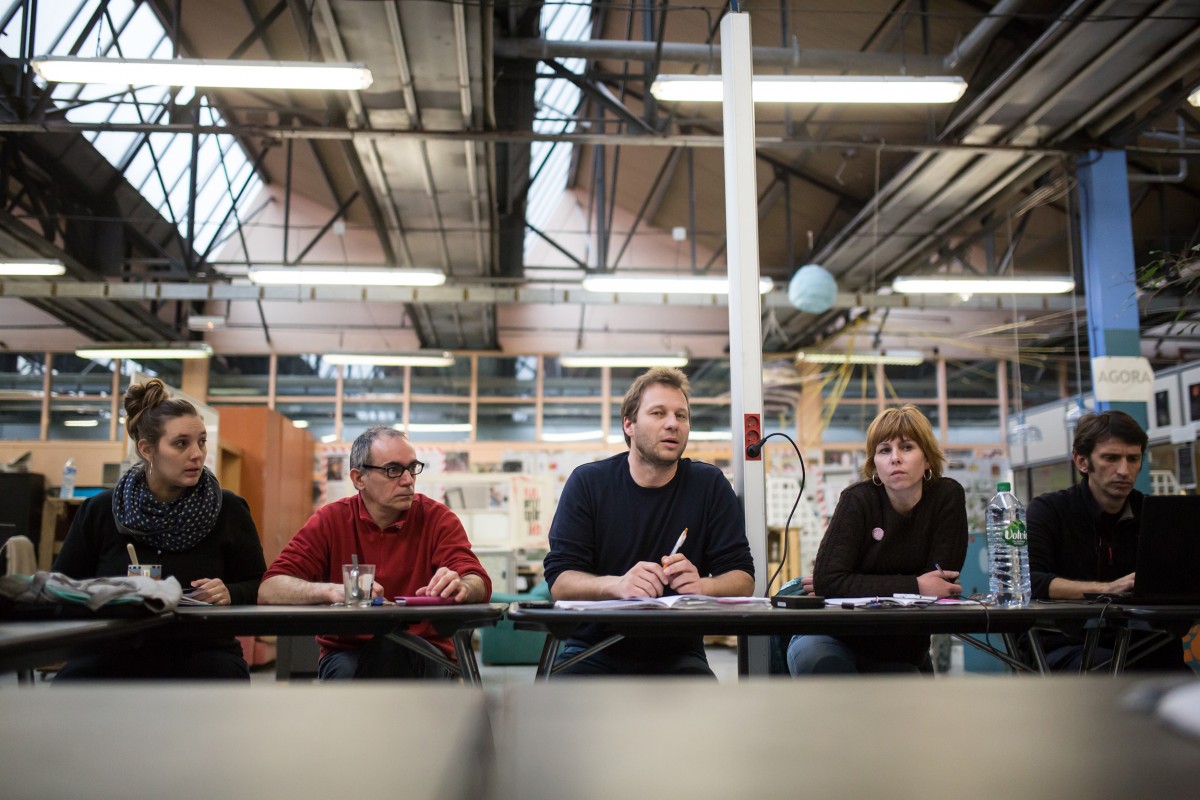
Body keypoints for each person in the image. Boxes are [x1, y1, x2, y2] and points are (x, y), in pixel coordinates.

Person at [543, 367, 755, 677]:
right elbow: (560, 582)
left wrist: (702, 586)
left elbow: (743, 578)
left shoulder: (708, 485)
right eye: (658, 413)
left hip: (678, 653)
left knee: (707, 715)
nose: (673, 424)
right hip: (592, 649)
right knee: (559, 712)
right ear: (629, 424)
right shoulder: (588, 484)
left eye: (681, 416)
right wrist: (617, 585)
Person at [52, 378, 266, 680]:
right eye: (181, 443)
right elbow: (59, 592)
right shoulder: (100, 511)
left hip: (202, 652)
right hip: (112, 650)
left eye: (201, 441)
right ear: (147, 449)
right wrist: (108, 597)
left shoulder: (227, 509)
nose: (197, 454)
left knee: (222, 678)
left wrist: (230, 592)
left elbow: (260, 583)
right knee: (70, 686)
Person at [259, 426, 491, 679]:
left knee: (390, 650)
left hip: (424, 650)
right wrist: (331, 590)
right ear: (359, 479)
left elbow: (477, 579)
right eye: (393, 470)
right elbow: (270, 588)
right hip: (348, 652)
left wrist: (463, 586)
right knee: (358, 670)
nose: (408, 480)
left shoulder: (438, 519)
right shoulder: (330, 520)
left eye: (412, 468)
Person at [787, 405, 967, 675]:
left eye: (907, 447)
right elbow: (829, 580)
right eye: (884, 450)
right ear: (874, 464)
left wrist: (855, 582)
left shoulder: (946, 498)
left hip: (901, 645)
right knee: (827, 668)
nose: (895, 458)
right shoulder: (857, 499)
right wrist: (915, 584)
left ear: (928, 458)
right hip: (831, 635)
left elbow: (942, 584)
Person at [1026, 410, 1185, 671]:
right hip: (1065, 642)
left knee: (1177, 678)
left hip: (1143, 642)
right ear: (1082, 462)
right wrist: (1108, 588)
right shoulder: (1049, 510)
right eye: (1111, 458)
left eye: (1133, 459)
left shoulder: (1154, 514)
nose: (1124, 470)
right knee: (1112, 672)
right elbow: (1032, 581)